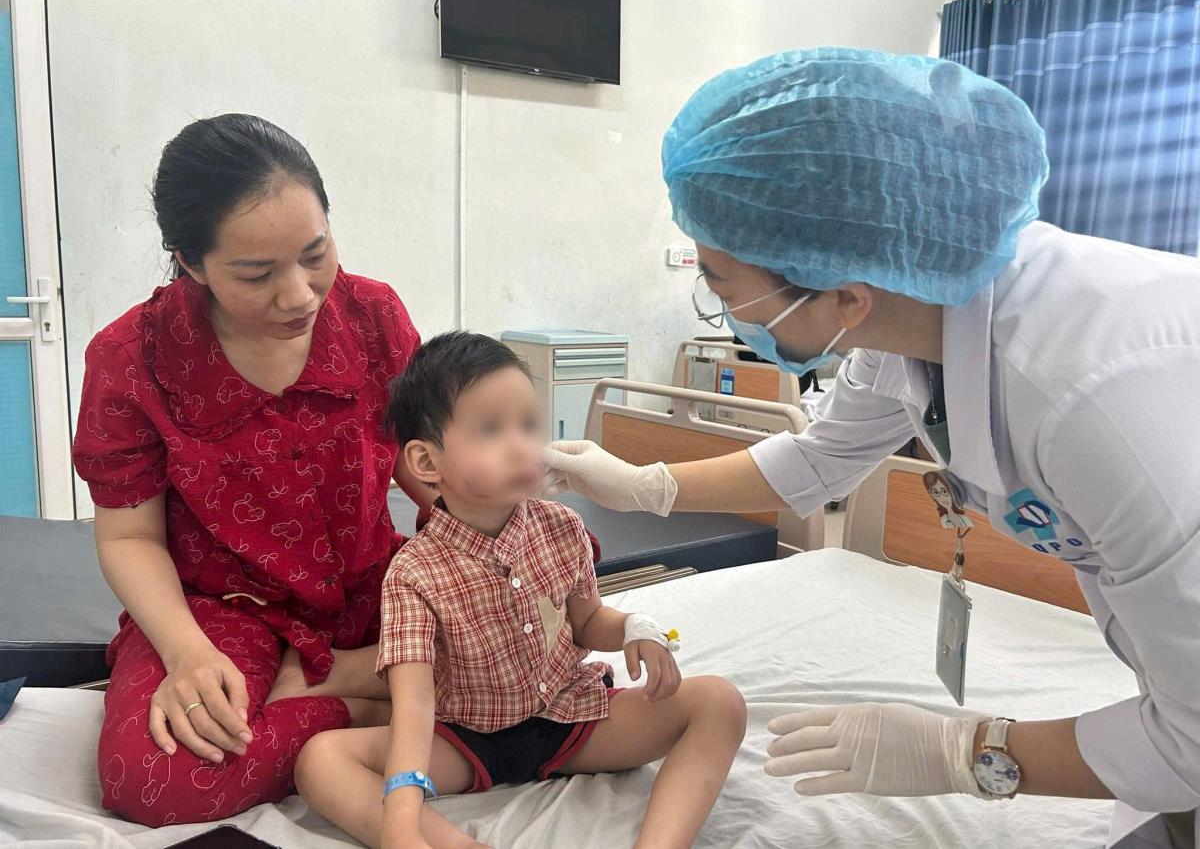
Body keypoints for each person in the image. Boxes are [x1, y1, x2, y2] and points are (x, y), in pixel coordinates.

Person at [542, 48, 1200, 847]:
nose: (720, 307)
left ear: (845, 296)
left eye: (720, 283)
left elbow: (1191, 744)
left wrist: (966, 751)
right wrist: (642, 484)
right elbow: (816, 460)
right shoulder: (906, 320)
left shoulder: (1092, 397)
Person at [71, 114, 435, 826]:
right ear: (191, 262)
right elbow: (129, 536)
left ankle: (340, 686)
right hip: (222, 609)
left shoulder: (373, 315)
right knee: (154, 778)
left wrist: (488, 543)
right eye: (257, 274)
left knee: (534, 660)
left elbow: (423, 462)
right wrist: (187, 655)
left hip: (371, 591)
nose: (299, 294)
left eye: (315, 254)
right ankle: (366, 708)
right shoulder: (131, 360)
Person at [294, 332, 747, 849]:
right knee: (320, 761)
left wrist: (632, 629)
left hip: (569, 720)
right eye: (491, 429)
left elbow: (587, 621)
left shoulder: (562, 528)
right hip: (466, 738)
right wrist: (401, 820)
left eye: (529, 425)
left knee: (719, 702)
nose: (521, 446)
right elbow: (414, 704)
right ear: (426, 463)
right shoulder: (413, 573)